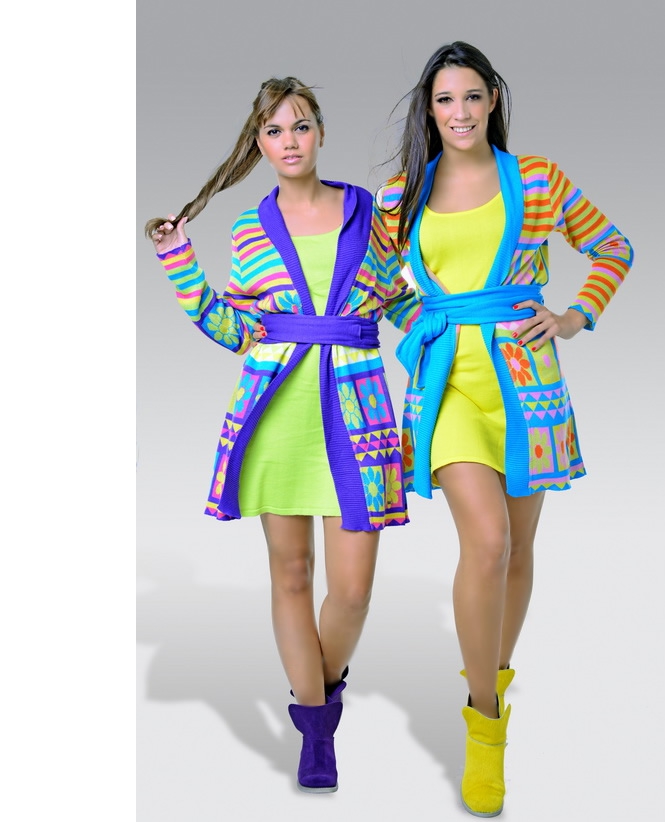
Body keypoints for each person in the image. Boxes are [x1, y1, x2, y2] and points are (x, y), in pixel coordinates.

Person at [375, 42, 635, 817]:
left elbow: (613, 247)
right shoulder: (401, 194)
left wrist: (574, 316)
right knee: (486, 543)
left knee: (518, 550)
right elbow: (379, 283)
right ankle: (484, 725)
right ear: (429, 111)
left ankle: (491, 669)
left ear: (493, 99)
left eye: (471, 97)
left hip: (526, 388)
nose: (459, 112)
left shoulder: (539, 180)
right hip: (448, 385)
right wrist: (420, 323)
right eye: (444, 100)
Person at [145, 76, 419, 794]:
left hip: (359, 412)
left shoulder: (370, 214)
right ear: (260, 144)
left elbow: (402, 304)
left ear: (321, 132)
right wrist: (180, 261)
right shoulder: (248, 230)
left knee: (352, 591)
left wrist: (460, 334)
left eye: (300, 126)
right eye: (274, 131)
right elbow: (235, 329)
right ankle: (317, 730)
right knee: (292, 575)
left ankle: (315, 692)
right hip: (276, 413)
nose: (289, 141)